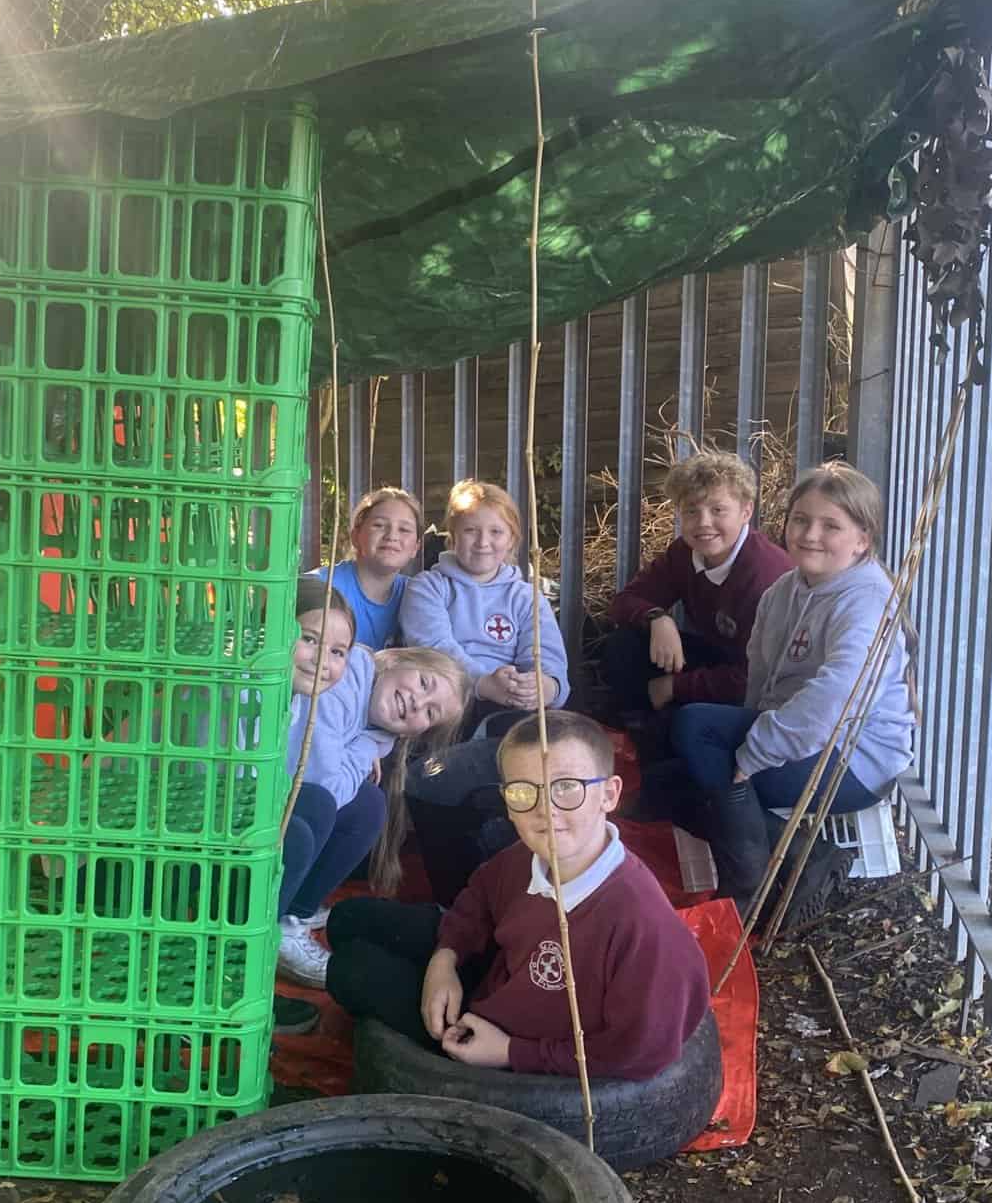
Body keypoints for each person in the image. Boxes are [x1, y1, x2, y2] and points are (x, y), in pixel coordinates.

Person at [326, 711, 710, 1081]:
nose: (545, 810)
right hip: (498, 976)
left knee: (351, 970)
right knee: (349, 917)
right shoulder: (525, 857)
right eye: (524, 791)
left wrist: (511, 1051)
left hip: (503, 1036)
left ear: (609, 795)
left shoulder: (643, 926)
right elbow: (481, 894)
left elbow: (642, 1052)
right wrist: (445, 961)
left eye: (566, 787)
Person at [669, 461, 916, 908]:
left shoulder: (866, 603)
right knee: (665, 781)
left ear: (862, 539)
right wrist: (750, 735)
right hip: (799, 737)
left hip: (852, 759)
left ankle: (747, 889)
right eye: (800, 520)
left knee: (694, 731)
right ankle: (809, 855)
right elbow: (760, 680)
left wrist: (755, 752)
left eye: (830, 526)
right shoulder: (784, 591)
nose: (810, 534)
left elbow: (835, 700)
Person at [277, 626, 471, 990]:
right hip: (240, 786)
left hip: (281, 790)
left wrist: (370, 741)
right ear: (395, 659)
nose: (417, 703)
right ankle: (267, 928)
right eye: (424, 683)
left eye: (430, 713)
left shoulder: (372, 716)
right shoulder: (344, 676)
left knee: (369, 804)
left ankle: (291, 917)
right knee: (314, 815)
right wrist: (368, 745)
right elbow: (321, 785)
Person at [602, 449, 793, 733]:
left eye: (718, 510)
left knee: (683, 723)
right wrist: (657, 617)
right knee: (625, 644)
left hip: (760, 688)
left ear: (746, 512)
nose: (703, 522)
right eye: (691, 510)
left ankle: (655, 732)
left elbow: (757, 677)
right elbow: (625, 601)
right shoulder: (684, 552)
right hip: (719, 660)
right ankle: (632, 729)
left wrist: (675, 686)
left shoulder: (765, 575)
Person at [398, 479, 567, 740]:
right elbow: (435, 648)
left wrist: (543, 686)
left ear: (512, 540)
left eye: (496, 532)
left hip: (513, 705)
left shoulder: (528, 597)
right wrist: (484, 684)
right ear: (452, 536)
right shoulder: (428, 587)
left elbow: (546, 656)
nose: (482, 542)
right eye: (470, 530)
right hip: (447, 703)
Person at [316, 487, 424, 649]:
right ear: (355, 536)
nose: (392, 536)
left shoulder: (420, 595)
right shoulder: (322, 586)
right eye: (379, 525)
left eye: (404, 529)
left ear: (416, 547)